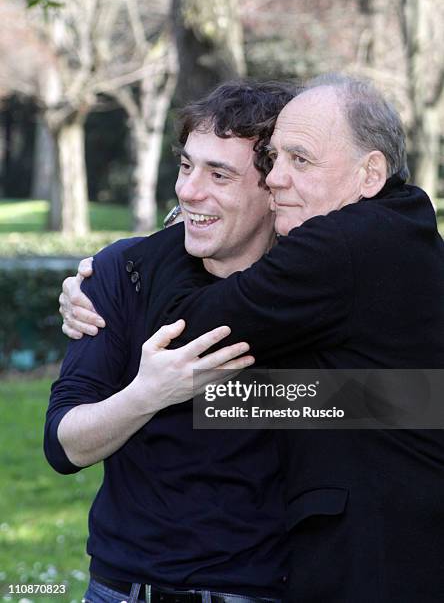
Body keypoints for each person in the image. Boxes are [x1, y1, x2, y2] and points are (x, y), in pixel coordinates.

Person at [63, 73, 444, 602]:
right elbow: (384, 398)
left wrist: (166, 248)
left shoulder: (339, 250)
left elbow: (191, 333)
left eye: (298, 161)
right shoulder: (403, 226)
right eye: (186, 166)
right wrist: (121, 272)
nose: (279, 179)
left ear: (369, 173)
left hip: (377, 560)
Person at [45, 81, 299, 603]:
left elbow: (386, 404)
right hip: (122, 588)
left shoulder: (316, 287)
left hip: (263, 591)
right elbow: (64, 445)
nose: (188, 190)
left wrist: (217, 398)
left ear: (272, 187)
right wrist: (148, 394)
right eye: (187, 166)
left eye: (219, 174)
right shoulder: (125, 271)